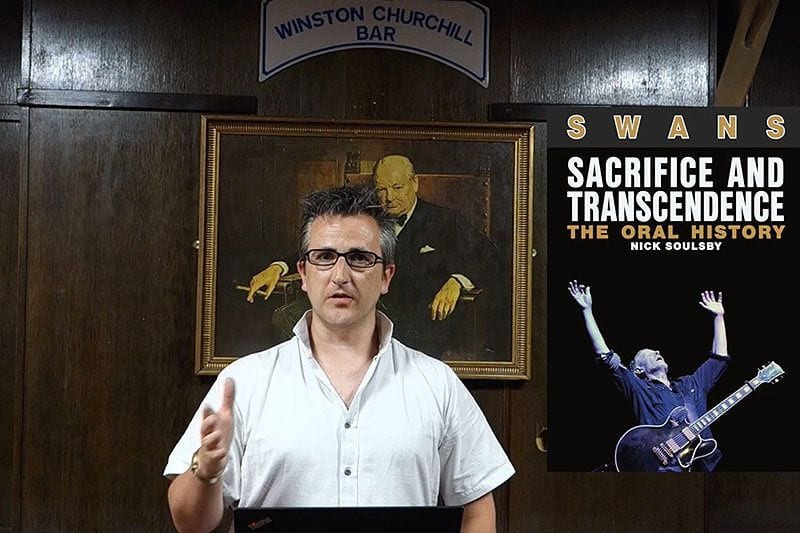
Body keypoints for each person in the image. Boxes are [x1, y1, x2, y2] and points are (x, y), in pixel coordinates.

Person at [165, 185, 515, 533]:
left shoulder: (437, 384)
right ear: (303, 273)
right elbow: (189, 524)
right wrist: (205, 470)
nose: (340, 276)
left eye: (360, 258)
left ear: (386, 277)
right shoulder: (245, 381)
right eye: (324, 257)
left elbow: (477, 510)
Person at [246, 154, 503, 359]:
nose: (389, 198)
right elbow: (324, 247)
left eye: (397, 187)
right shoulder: (369, 218)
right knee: (285, 317)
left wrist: (457, 281)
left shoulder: (445, 221)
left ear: (414, 183)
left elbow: (489, 256)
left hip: (415, 326)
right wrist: (279, 267)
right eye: (382, 189)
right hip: (360, 312)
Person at [567, 280, 729, 472]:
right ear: (638, 370)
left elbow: (719, 358)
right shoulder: (640, 389)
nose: (657, 352)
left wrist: (718, 317)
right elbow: (605, 355)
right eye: (648, 354)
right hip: (663, 468)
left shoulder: (689, 385)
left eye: (656, 351)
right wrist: (587, 310)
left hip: (703, 466)